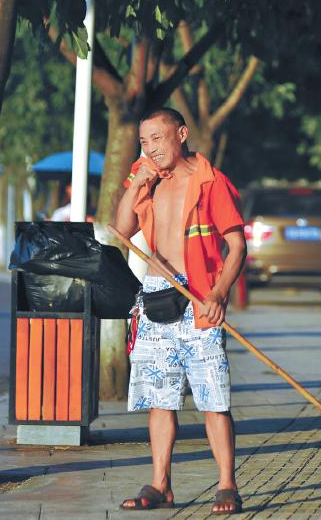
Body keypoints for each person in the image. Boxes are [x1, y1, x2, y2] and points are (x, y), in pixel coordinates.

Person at [115, 108, 246, 514]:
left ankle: (227, 485)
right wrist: (138, 179)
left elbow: (238, 245)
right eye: (144, 141)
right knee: (160, 399)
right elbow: (121, 230)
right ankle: (160, 485)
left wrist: (220, 293)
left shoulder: (210, 182)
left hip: (198, 298)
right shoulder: (148, 181)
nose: (150, 148)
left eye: (158, 138)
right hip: (156, 296)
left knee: (213, 398)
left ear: (182, 134)